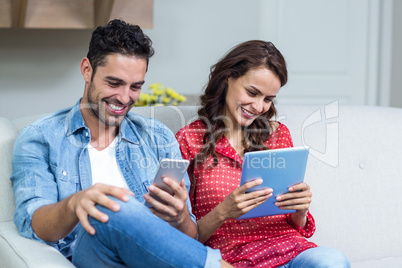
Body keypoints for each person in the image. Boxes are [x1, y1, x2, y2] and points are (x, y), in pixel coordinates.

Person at [10, 19, 231, 268]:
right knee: (109, 207)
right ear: (87, 69)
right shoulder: (40, 138)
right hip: (91, 256)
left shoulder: (158, 137)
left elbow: (187, 241)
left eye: (135, 87)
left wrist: (180, 217)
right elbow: (35, 224)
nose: (124, 98)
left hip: (146, 260)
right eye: (114, 83)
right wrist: (77, 203)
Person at [175, 40, 350, 267]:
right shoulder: (190, 139)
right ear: (228, 78)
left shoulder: (278, 135)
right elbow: (182, 239)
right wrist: (224, 212)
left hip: (290, 251)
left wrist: (301, 208)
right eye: (252, 92)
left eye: (268, 99)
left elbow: (294, 220)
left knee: (332, 261)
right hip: (231, 259)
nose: (258, 107)